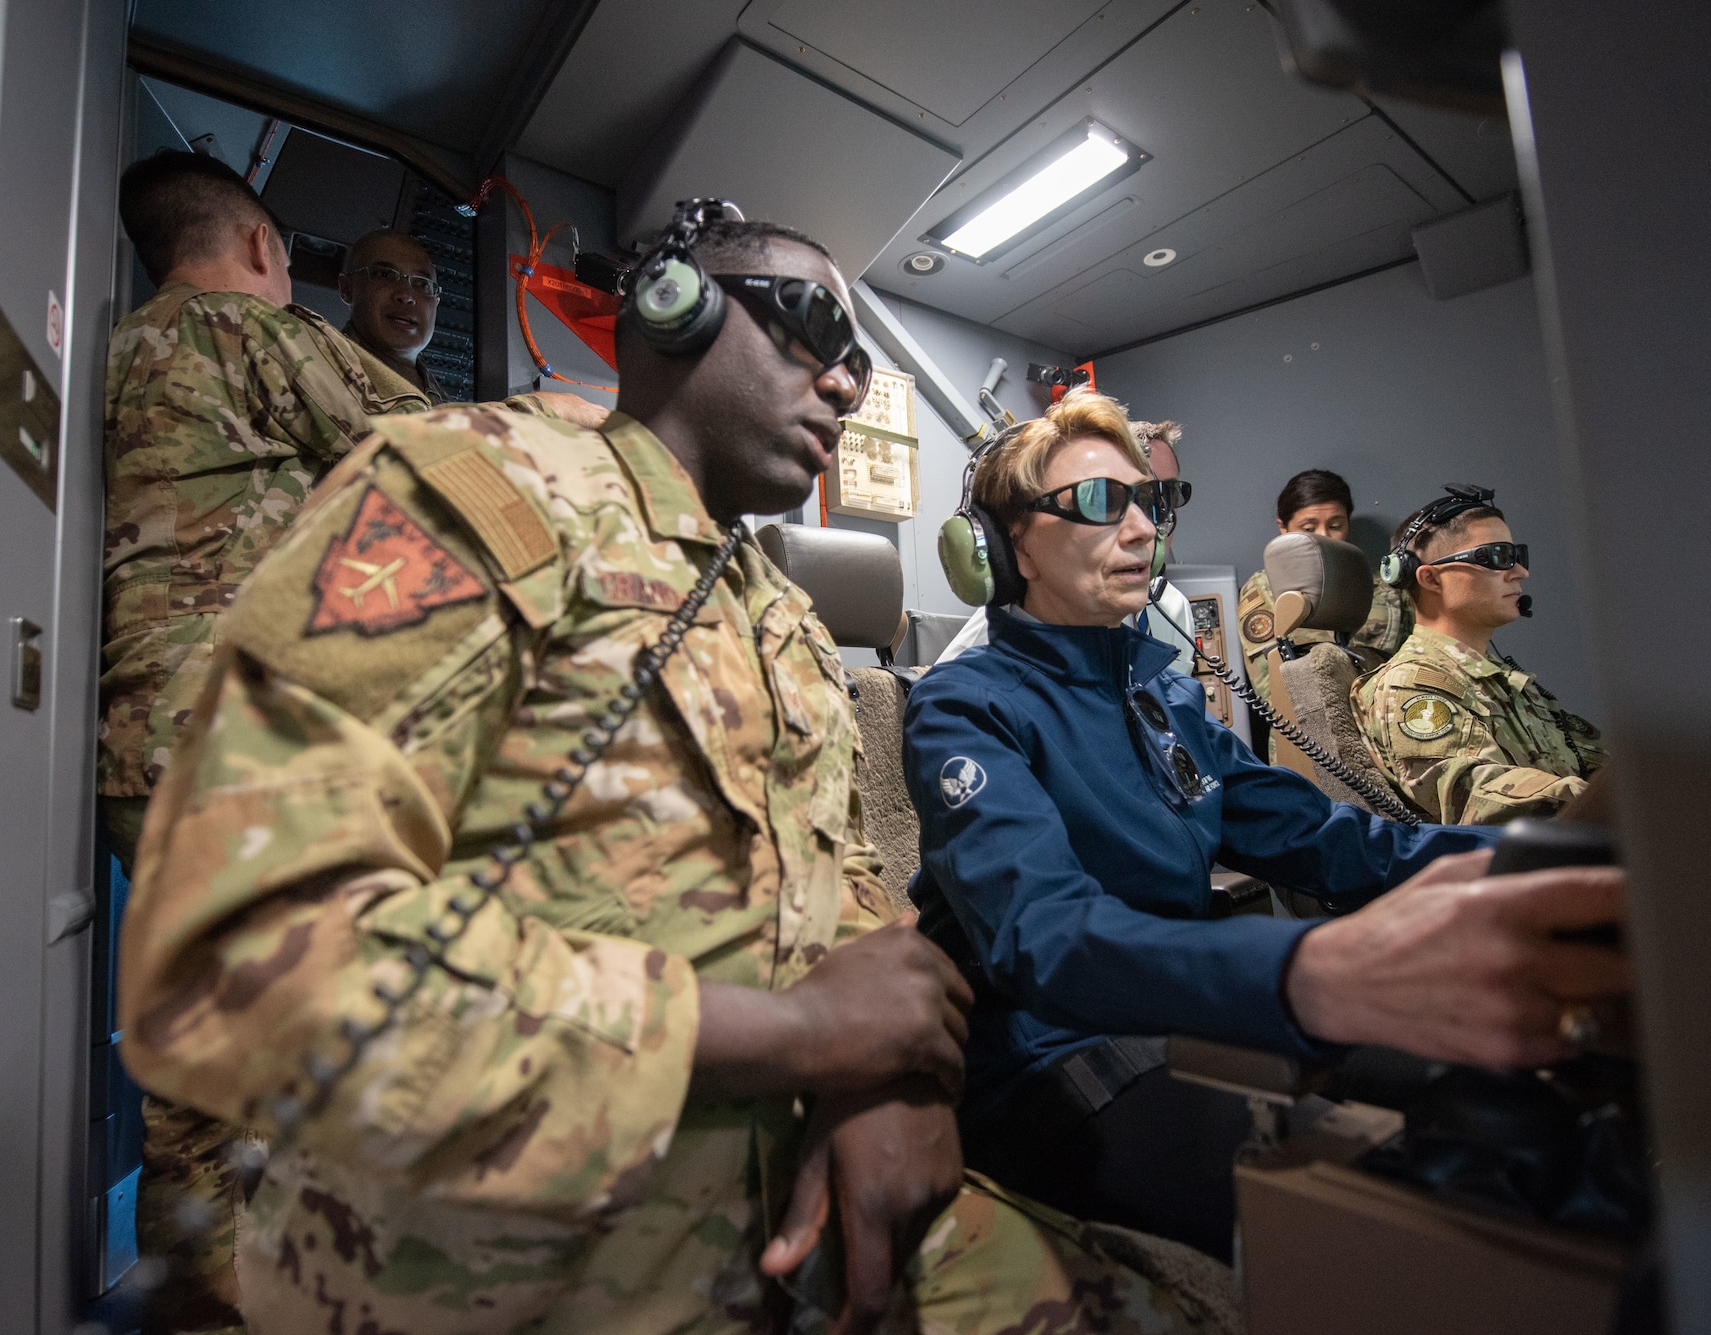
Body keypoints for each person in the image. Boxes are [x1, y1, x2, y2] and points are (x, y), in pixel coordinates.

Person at [117, 207, 1192, 1334]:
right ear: (668, 311)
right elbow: (245, 961)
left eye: (858, 365)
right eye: (812, 327)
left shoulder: (780, 616)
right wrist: (795, 1039)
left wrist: (889, 1082)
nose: (841, 384)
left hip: (799, 1211)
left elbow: (856, 889)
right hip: (514, 1259)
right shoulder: (478, 490)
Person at [903, 394, 1630, 1261]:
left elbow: (1328, 839)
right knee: (1372, 1233)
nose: (1143, 531)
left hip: (1184, 1007)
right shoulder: (964, 707)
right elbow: (1047, 940)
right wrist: (1313, 968)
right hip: (1051, 1052)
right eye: (1102, 503)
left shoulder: (1160, 692)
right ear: (1006, 542)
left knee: (1521, 1109)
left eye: (1154, 503)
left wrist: (1530, 856)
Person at [101, 150, 604, 1335]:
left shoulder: (122, 353)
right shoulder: (252, 334)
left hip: (137, 749)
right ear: (266, 248)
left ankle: (198, 1293)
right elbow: (444, 455)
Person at [1353, 487, 1608, 824]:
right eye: (1497, 556)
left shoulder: (1500, 680)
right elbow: (1478, 796)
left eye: (1518, 555)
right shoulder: (1410, 685)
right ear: (1430, 578)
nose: (1520, 572)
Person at [937, 411, 1196, 672]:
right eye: (1104, 501)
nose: (1147, 527)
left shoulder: (1174, 612)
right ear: (1017, 546)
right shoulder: (974, 696)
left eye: (1161, 496)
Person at [1237, 468, 1413, 704]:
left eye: (1335, 525)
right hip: (1302, 730)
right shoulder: (1265, 590)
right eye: (1308, 529)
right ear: (1284, 528)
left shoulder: (1386, 592)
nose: (1323, 537)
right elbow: (1273, 691)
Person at [339, 226, 450, 402]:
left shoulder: (443, 404)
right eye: (385, 275)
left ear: (436, 303)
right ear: (347, 288)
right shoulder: (319, 372)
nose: (406, 296)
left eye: (422, 284)